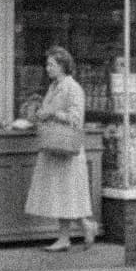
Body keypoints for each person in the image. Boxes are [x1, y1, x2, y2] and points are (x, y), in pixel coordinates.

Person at [25, 46, 96, 252]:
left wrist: (52, 114)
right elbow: (50, 111)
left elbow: (76, 118)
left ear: (63, 66)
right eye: (47, 64)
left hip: (66, 147)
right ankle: (68, 235)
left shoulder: (73, 88)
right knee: (61, 193)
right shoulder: (54, 86)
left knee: (67, 192)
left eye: (51, 65)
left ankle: (81, 227)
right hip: (54, 146)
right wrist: (39, 113)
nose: (47, 68)